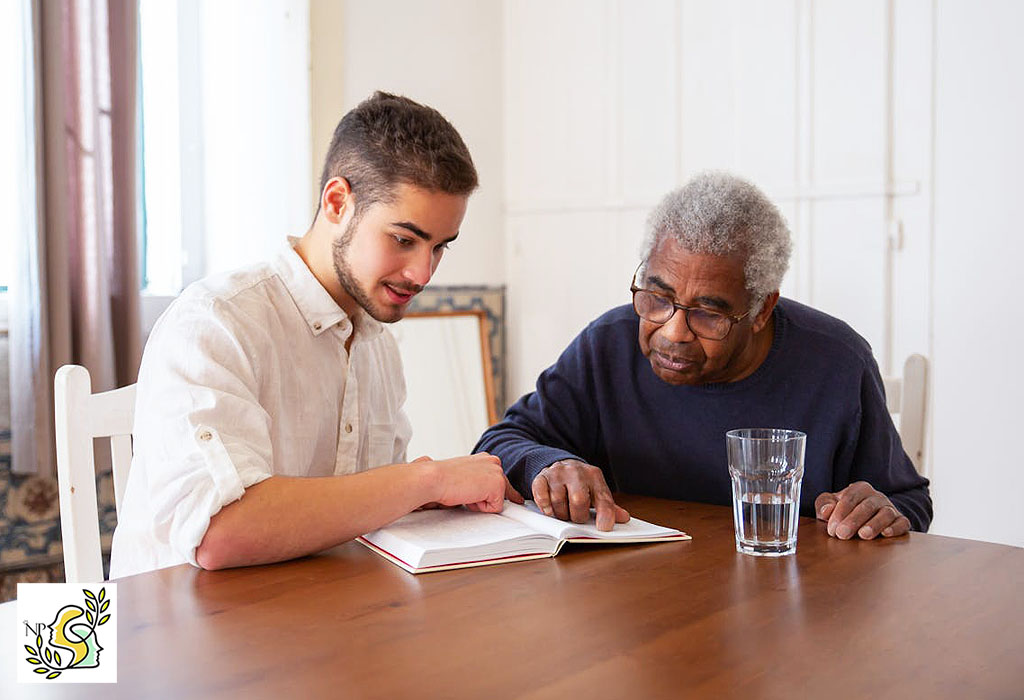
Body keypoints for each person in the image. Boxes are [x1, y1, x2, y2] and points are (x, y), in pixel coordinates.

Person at [110, 92, 520, 578]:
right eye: (404, 240)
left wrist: (446, 501)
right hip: (157, 634)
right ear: (337, 202)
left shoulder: (378, 345)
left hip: (307, 618)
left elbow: (367, 512)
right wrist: (427, 480)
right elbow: (220, 534)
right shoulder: (216, 320)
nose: (422, 273)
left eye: (439, 248)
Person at [475, 171, 931, 540]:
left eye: (708, 314)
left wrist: (878, 510)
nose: (672, 332)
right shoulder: (608, 345)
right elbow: (498, 443)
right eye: (657, 297)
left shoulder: (836, 363)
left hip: (787, 611)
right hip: (639, 606)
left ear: (760, 309)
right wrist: (550, 463)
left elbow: (908, 502)